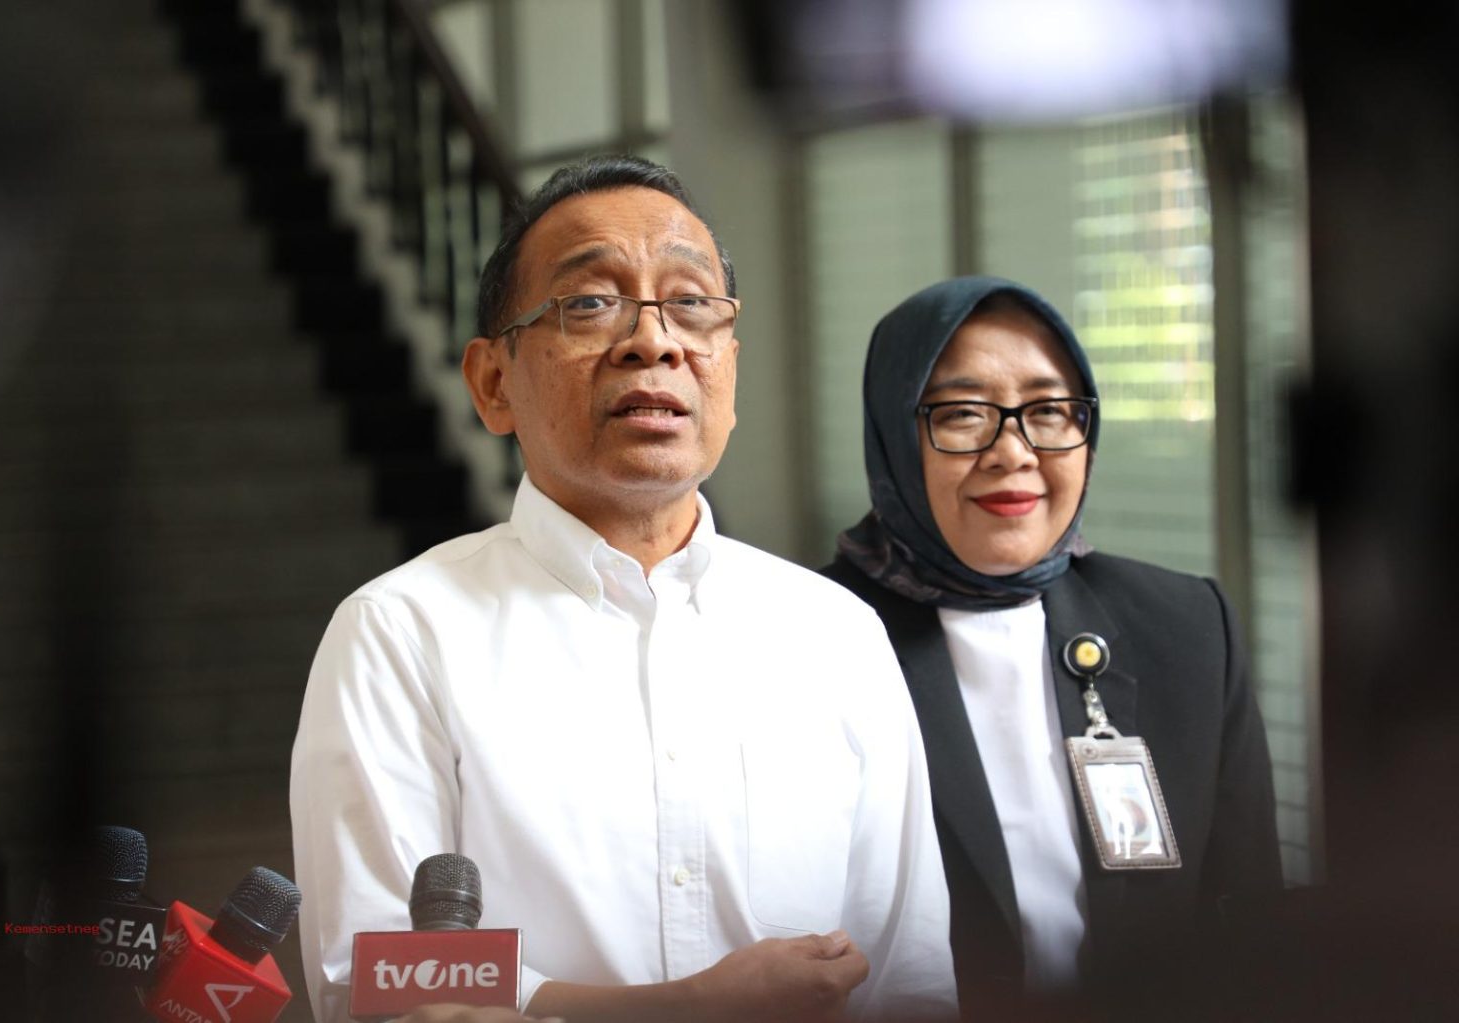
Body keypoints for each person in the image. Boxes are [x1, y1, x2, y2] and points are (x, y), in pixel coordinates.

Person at [290, 155, 956, 1023]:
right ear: (494, 383)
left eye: (690, 303)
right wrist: (691, 1006)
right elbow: (372, 982)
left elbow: (910, 975)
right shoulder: (400, 633)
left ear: (729, 369)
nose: (656, 341)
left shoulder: (835, 633)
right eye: (591, 303)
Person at [821, 277, 1281, 1021]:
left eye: (1048, 411)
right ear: (894, 430)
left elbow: (1251, 919)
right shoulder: (808, 640)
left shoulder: (1189, 626)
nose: (1014, 452)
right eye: (965, 414)